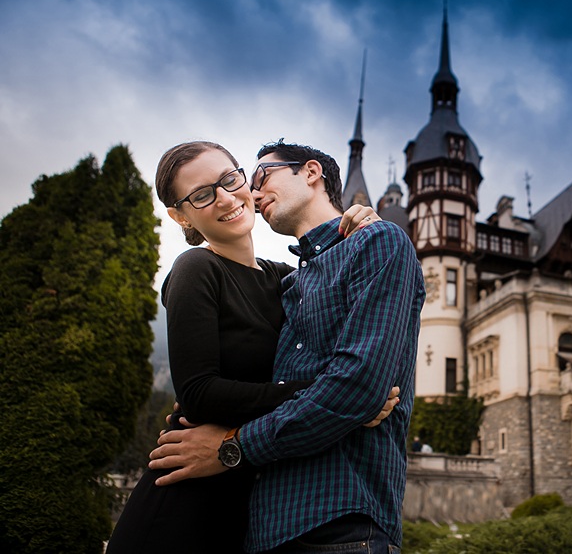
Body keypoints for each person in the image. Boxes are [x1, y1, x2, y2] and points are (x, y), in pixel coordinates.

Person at [107, 141, 396, 554]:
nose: (226, 198)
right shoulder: (195, 269)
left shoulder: (285, 279)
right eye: (202, 195)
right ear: (180, 215)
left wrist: (356, 220)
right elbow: (200, 395)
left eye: (229, 179)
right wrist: (338, 395)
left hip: (251, 502)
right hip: (186, 501)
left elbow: (337, 286)